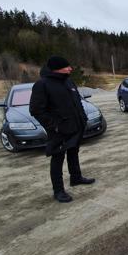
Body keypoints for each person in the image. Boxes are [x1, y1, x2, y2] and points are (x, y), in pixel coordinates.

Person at [29, 56, 95, 203]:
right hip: (59, 131)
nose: (70, 68)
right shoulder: (42, 84)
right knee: (57, 159)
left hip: (76, 127)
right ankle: (58, 191)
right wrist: (55, 126)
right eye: (67, 66)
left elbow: (78, 101)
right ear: (56, 68)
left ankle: (76, 178)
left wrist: (83, 118)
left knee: (73, 153)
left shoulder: (69, 81)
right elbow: (36, 110)